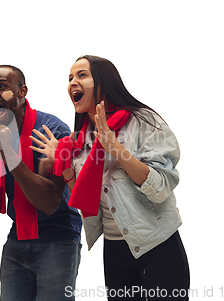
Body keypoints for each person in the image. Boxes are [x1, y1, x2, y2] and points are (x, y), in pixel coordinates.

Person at [32, 55, 190, 300]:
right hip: (116, 250)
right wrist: (65, 165)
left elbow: (160, 187)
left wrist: (115, 147)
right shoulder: (79, 142)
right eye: (70, 78)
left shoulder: (144, 121)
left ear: (103, 83)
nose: (72, 82)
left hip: (158, 244)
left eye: (82, 75)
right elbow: (89, 203)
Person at [0, 65, 82, 301]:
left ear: (22, 91)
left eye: (0, 87)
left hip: (58, 238)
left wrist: (9, 156)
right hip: (18, 239)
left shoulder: (50, 130)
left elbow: (49, 201)